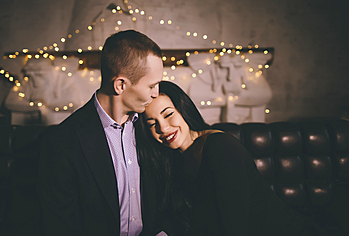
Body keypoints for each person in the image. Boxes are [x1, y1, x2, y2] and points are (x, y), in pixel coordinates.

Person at [136, 81, 327, 236]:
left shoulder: (220, 147)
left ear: (183, 110)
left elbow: (233, 226)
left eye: (168, 114)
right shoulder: (170, 159)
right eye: (152, 124)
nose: (163, 128)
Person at [38, 30, 166, 236]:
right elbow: (61, 225)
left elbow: (169, 193)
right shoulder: (62, 142)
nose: (156, 93)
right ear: (120, 85)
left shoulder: (151, 125)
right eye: (151, 85)